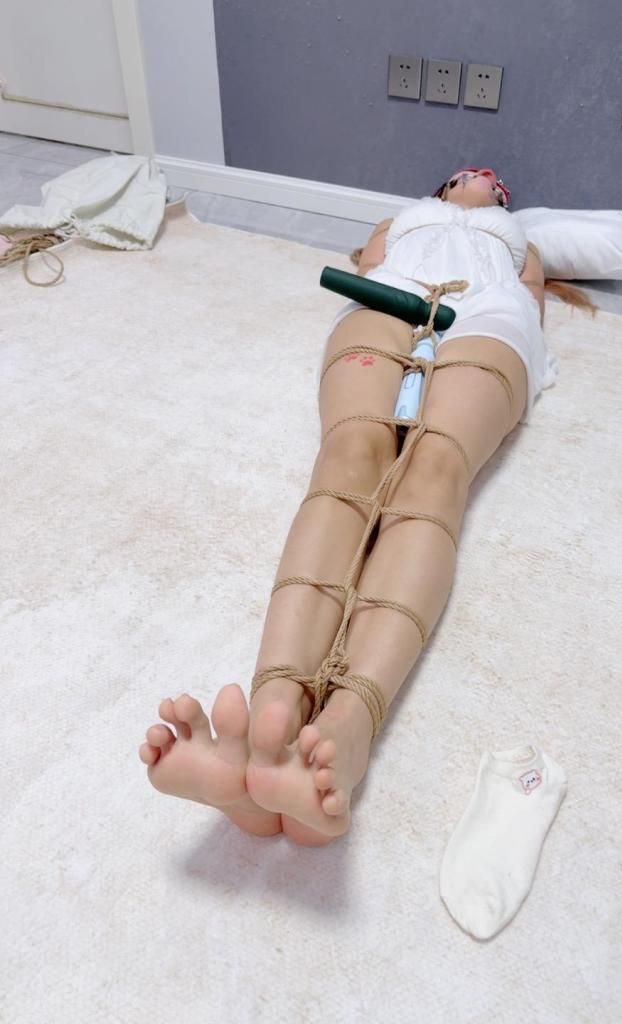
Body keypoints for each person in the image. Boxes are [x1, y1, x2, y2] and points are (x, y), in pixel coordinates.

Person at [138, 167, 598, 847]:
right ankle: (268, 722)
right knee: (350, 453)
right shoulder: (398, 221)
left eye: (492, 179)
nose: (478, 175)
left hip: (490, 315)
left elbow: (530, 302)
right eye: (462, 174)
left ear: (505, 199)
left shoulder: (519, 242)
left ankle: (348, 726)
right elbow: (371, 264)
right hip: (385, 296)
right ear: (442, 189)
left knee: (434, 469)